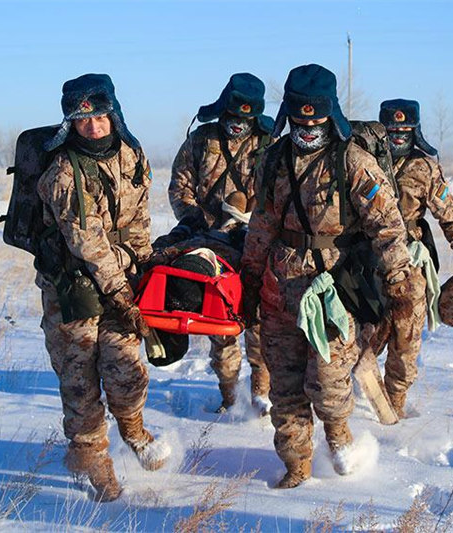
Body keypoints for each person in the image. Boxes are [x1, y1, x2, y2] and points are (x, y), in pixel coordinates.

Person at [241, 64, 416, 488]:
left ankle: (339, 440)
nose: (308, 127)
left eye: (316, 118)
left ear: (331, 113)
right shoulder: (274, 160)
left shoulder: (354, 161)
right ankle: (296, 467)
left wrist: (398, 286)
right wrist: (248, 277)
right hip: (279, 290)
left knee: (329, 382)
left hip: (332, 293)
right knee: (284, 387)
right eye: (299, 119)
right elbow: (262, 222)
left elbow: (388, 227)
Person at [35, 73, 168, 501]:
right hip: (72, 290)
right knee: (80, 383)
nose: (92, 127)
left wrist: (146, 267)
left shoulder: (131, 154)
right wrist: (121, 295)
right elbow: (87, 242)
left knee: (126, 367)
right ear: (70, 124)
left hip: (122, 281)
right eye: (81, 120)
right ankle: (93, 463)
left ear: (113, 112)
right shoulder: (61, 173)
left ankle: (135, 432)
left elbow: (138, 218)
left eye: (99, 117)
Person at [163, 73, 274, 414]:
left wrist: (258, 224)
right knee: (219, 324)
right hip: (210, 248)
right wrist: (198, 224)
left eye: (246, 119)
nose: (239, 125)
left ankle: (261, 396)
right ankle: (229, 397)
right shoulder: (200, 140)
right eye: (233, 117)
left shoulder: (270, 143)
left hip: (256, 244)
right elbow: (179, 187)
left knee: (259, 324)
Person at [378, 99, 453, 417]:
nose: (398, 136)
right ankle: (358, 393)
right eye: (392, 130)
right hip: (367, 258)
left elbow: (448, 214)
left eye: (405, 130)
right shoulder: (365, 159)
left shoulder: (425, 167)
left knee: (406, 341)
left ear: (415, 131)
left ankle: (394, 406)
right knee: (364, 336)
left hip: (411, 261)